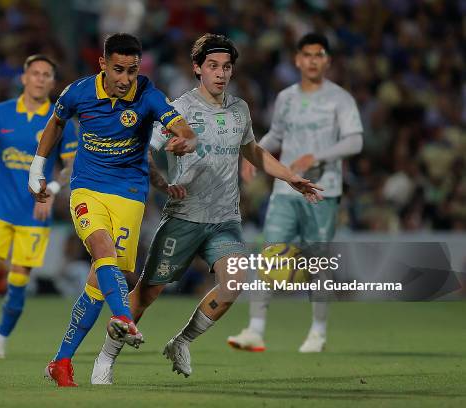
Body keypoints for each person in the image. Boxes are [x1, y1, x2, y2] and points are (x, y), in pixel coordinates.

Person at [91, 33, 323, 384]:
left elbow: (253, 151)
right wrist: (165, 165)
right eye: (213, 66)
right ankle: (105, 358)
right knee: (146, 294)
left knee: (233, 284)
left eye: (227, 67)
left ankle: (181, 342)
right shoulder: (179, 107)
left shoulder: (239, 109)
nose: (221, 73)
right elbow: (149, 147)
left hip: (224, 219)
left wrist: (290, 176)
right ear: (197, 68)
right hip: (184, 216)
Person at [28, 33, 197, 387]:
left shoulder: (148, 96)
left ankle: (61, 361)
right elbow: (56, 123)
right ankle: (123, 316)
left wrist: (184, 139)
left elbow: (180, 126)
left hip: (131, 196)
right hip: (88, 188)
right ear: (103, 64)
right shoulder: (78, 92)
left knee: (97, 282)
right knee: (102, 250)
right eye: (118, 69)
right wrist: (37, 167)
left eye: (131, 71)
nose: (124, 79)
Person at [227, 33, 363, 353]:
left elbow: (355, 141)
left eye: (319, 55)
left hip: (323, 191)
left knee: (317, 262)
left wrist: (316, 157)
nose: (313, 60)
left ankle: (317, 332)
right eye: (307, 55)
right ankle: (255, 330)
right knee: (270, 255)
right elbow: (277, 133)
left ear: (327, 60)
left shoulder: (340, 99)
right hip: (286, 190)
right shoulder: (286, 97)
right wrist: (254, 156)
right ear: (298, 60)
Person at [0, 54, 77, 359]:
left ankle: (0, 338)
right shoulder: (0, 114)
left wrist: (53, 189)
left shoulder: (61, 122)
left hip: (34, 214)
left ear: (52, 82)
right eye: (34, 73)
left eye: (46, 74)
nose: (39, 78)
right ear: (24, 78)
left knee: (18, 280)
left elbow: (70, 165)